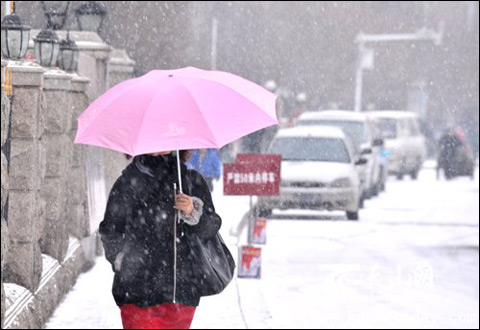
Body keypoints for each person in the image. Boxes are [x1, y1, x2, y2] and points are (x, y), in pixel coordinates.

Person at [99, 150, 222, 329]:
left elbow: (211, 227)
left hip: (180, 292)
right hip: (136, 291)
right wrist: (121, 260)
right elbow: (110, 231)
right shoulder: (127, 183)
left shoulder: (189, 181)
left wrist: (192, 211)